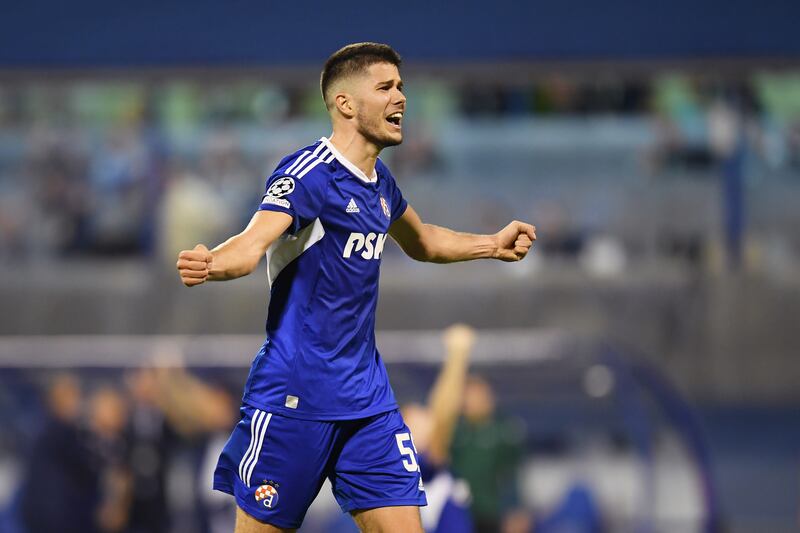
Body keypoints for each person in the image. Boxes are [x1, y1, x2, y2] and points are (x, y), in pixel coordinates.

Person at [176, 42, 537, 533]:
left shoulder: (380, 184)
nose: (401, 98)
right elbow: (250, 244)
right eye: (385, 87)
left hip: (367, 403)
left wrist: (493, 245)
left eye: (402, 87)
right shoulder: (308, 175)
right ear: (346, 104)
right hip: (294, 399)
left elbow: (425, 240)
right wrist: (211, 261)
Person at [450, 375, 525, 533]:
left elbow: (511, 474)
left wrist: (515, 510)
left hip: (492, 512)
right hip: (461, 510)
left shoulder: (503, 430)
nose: (470, 402)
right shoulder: (456, 431)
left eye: (476, 396)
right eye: (467, 396)